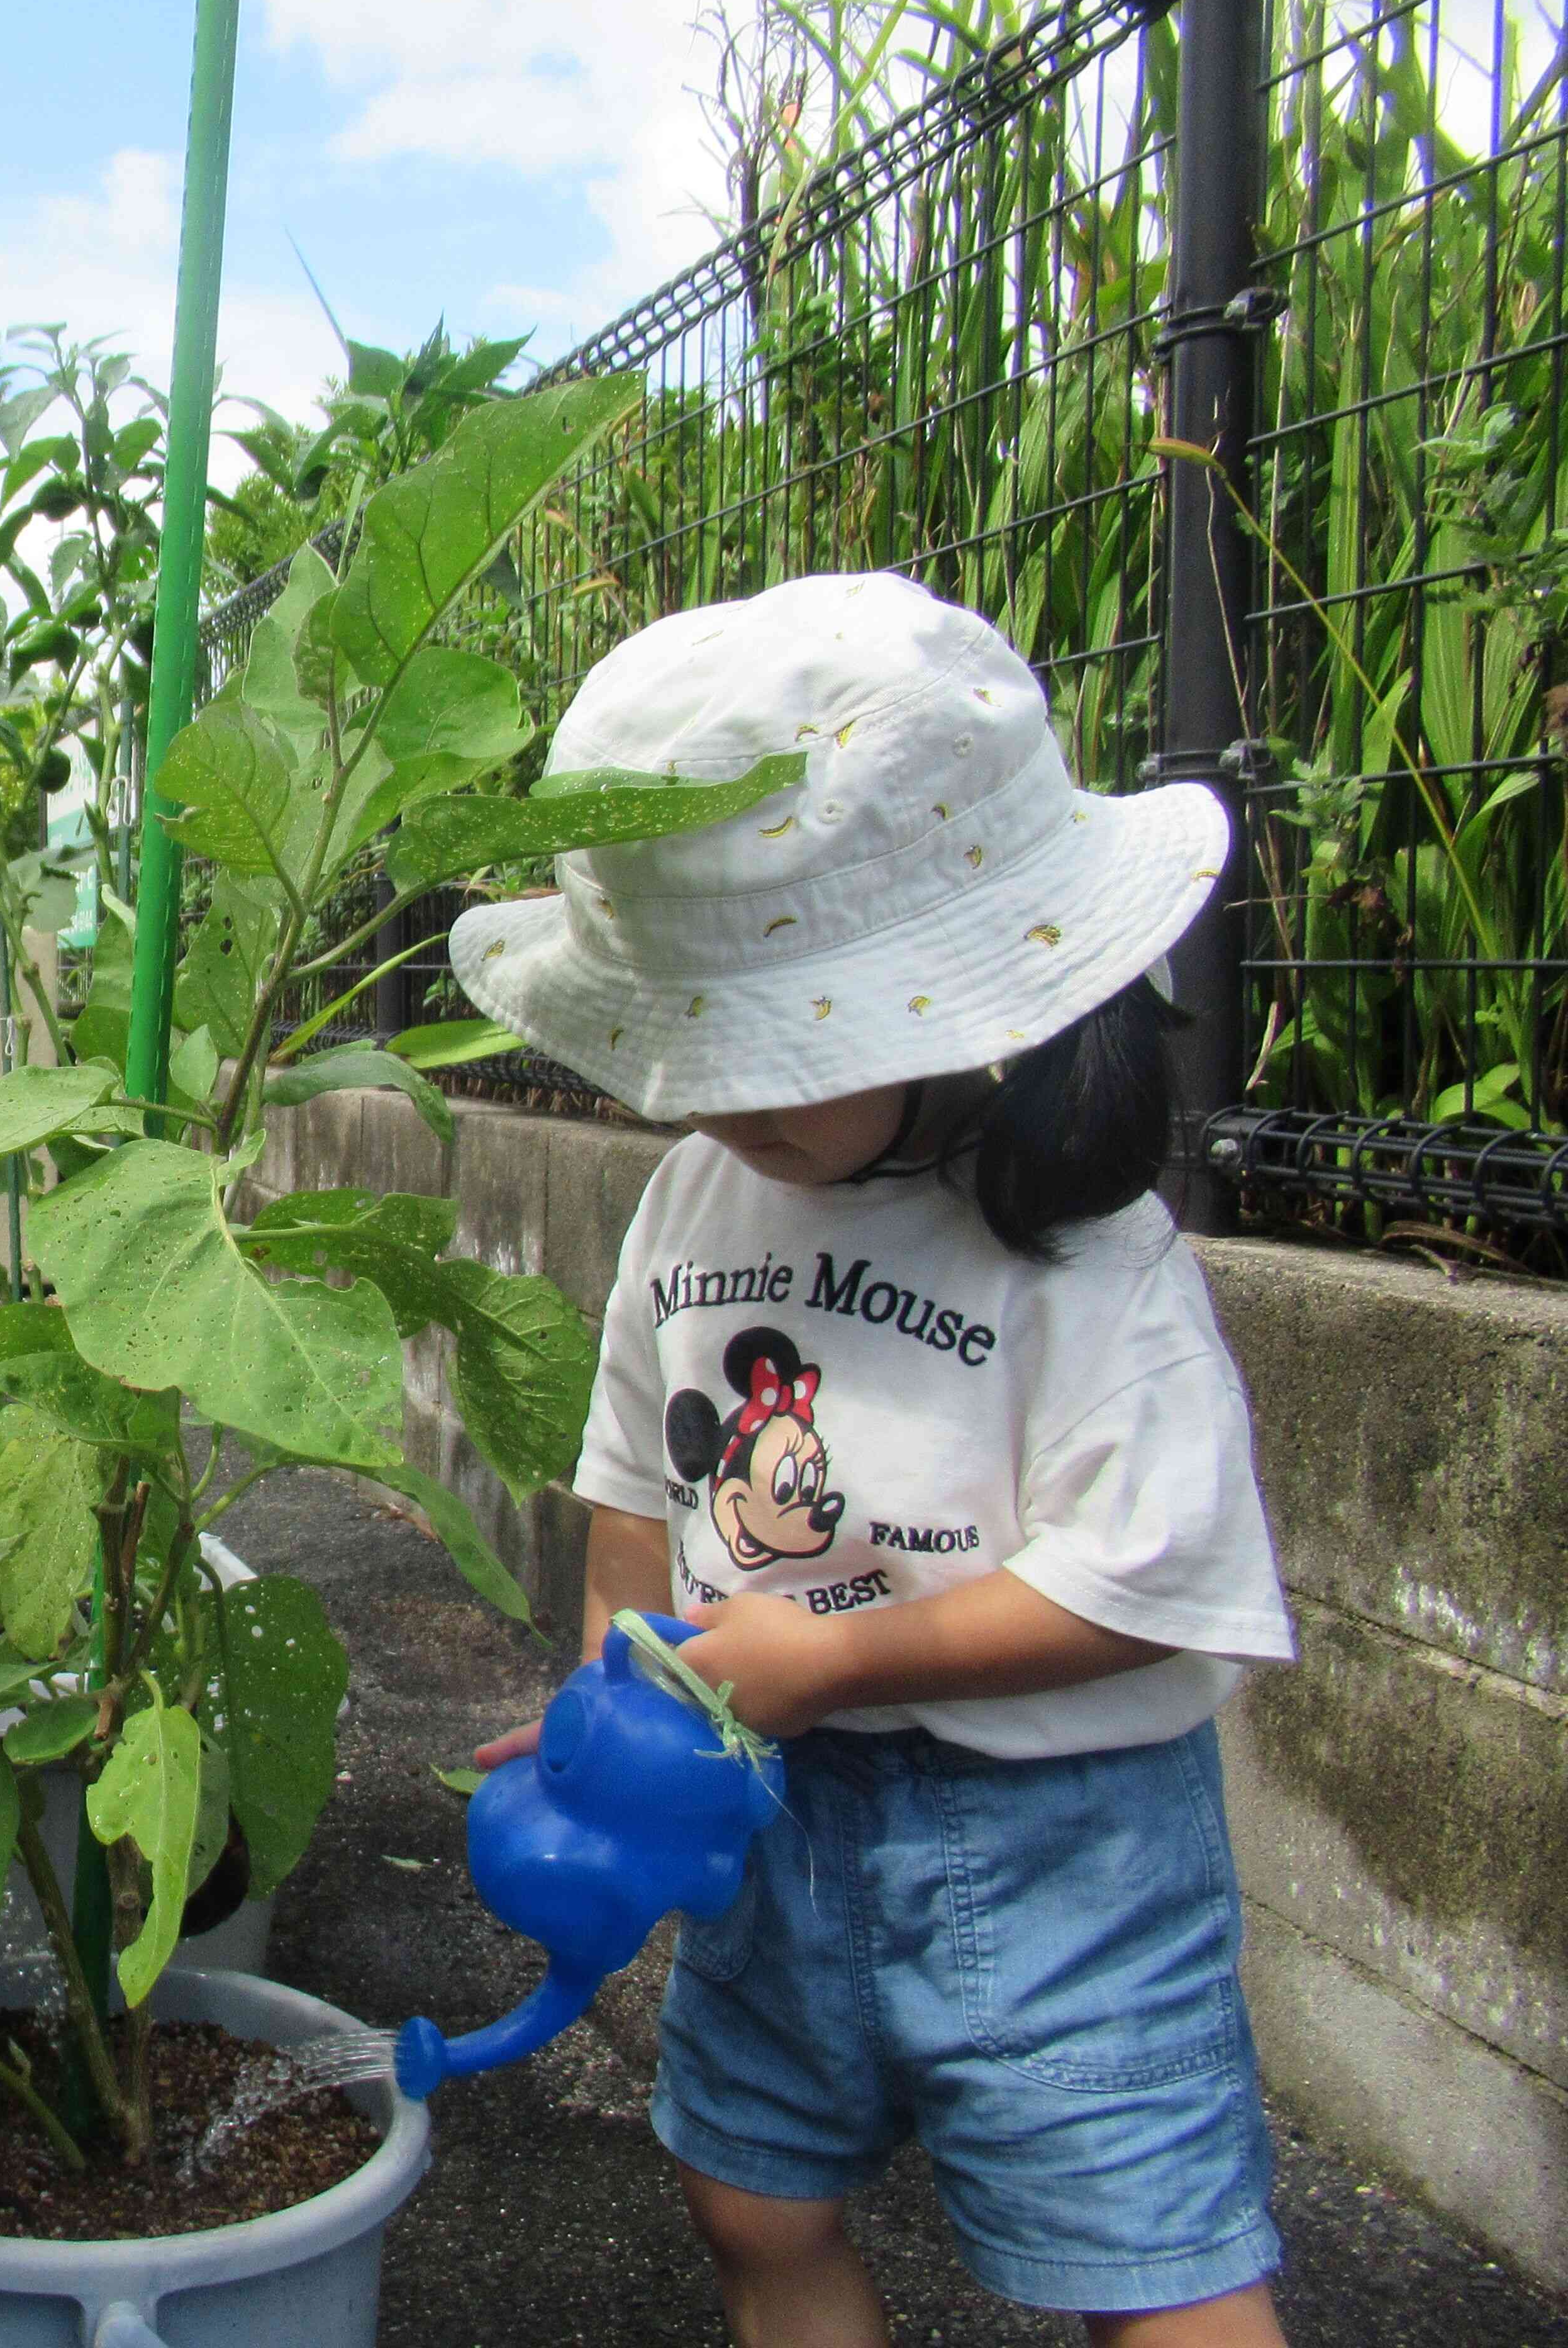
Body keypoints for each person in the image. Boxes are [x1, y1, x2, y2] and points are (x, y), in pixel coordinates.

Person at [452, 573, 1296, 2347]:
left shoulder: (1088, 1254)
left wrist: (841, 1656)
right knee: (751, 2191)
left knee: (1154, 2259)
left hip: (1061, 1847)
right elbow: (635, 1474)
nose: (708, 1106)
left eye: (755, 1061)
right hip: (778, 1810)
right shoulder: (704, 1192)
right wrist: (628, 1700)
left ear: (963, 995)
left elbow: (1143, 1584)